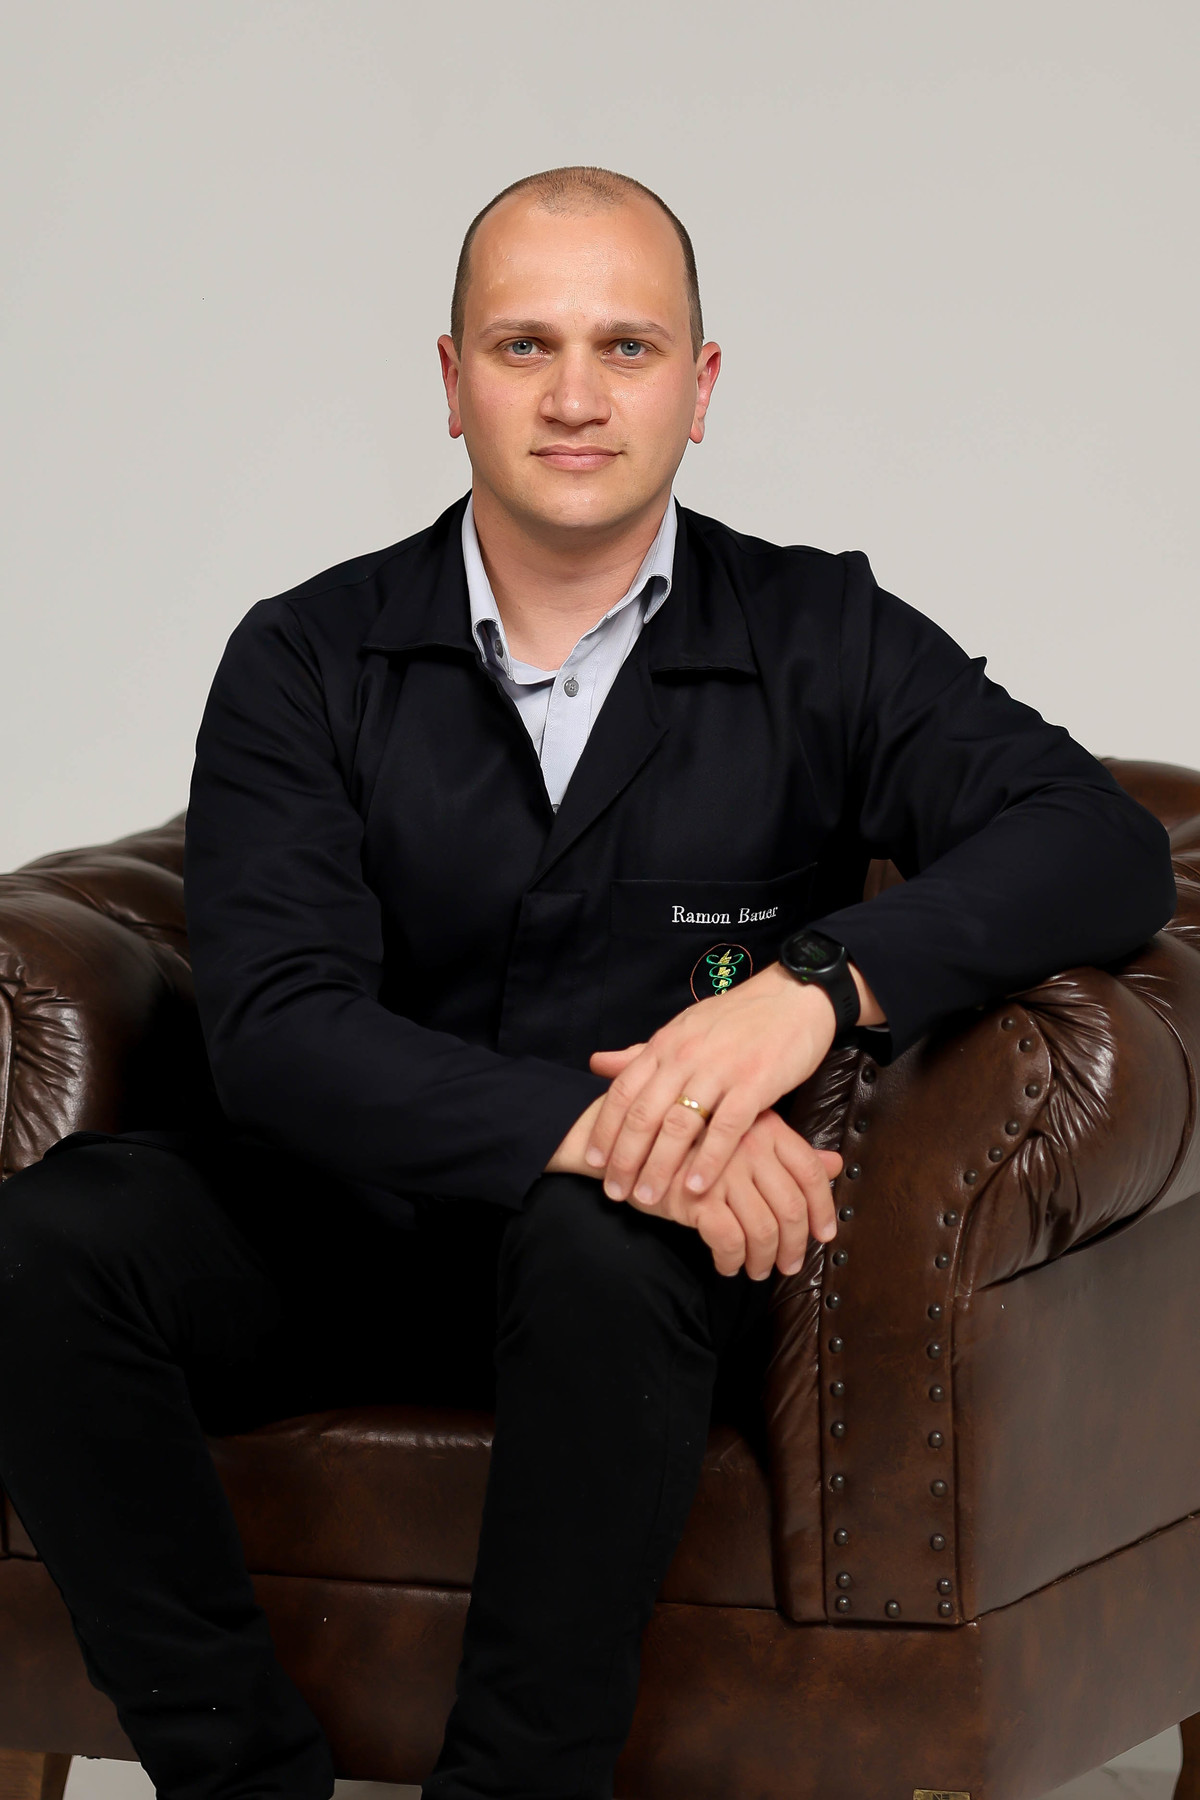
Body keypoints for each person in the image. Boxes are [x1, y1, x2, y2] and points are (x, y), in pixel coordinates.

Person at [0, 165, 1176, 1800]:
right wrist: (625, 1126)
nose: (574, 395)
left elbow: (1097, 844)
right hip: (359, 1222)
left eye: (626, 347)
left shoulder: (820, 632)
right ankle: (238, 1776)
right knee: (44, 1243)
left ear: (700, 386)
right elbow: (279, 1035)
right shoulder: (305, 656)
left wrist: (810, 989)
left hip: (662, 1268)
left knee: (600, 1238)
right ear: (451, 380)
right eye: (524, 346)